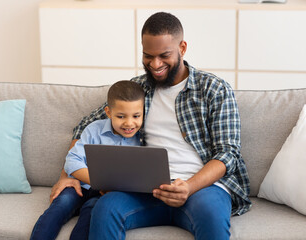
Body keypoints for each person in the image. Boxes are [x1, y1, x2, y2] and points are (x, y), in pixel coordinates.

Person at [51, 12, 252, 240]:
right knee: (106, 207)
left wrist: (188, 187)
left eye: (164, 55)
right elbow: (84, 126)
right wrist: (66, 174)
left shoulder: (214, 89)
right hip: (145, 190)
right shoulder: (137, 90)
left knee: (212, 218)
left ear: (182, 48)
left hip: (203, 188)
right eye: (148, 56)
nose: (155, 64)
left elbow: (228, 154)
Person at [30, 80, 145, 240]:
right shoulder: (94, 130)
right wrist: (101, 182)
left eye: (136, 116)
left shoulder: (141, 140)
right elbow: (72, 161)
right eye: (121, 116)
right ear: (108, 112)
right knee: (61, 205)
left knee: (91, 214)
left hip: (105, 196)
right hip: (80, 185)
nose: (129, 123)